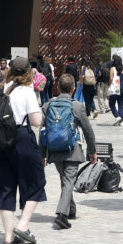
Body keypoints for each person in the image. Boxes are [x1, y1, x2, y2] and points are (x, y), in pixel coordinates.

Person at [0, 55, 45, 244]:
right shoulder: (27, 91)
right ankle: (22, 225)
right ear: (29, 72)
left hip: (0, 142)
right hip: (22, 139)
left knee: (5, 186)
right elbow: (36, 121)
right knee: (36, 182)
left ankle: (8, 235)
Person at [41, 72, 96, 230]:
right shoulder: (77, 106)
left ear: (58, 88)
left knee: (65, 181)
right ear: (73, 89)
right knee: (68, 181)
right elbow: (88, 131)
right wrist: (92, 151)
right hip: (72, 150)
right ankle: (62, 215)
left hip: (54, 150)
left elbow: (42, 131)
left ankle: (70, 210)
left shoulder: (48, 106)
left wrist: (42, 154)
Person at [108, 56, 123, 124]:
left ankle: (117, 117)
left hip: (115, 88)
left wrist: (109, 85)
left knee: (111, 104)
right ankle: (121, 120)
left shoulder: (112, 68)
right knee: (120, 106)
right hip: (122, 89)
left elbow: (111, 78)